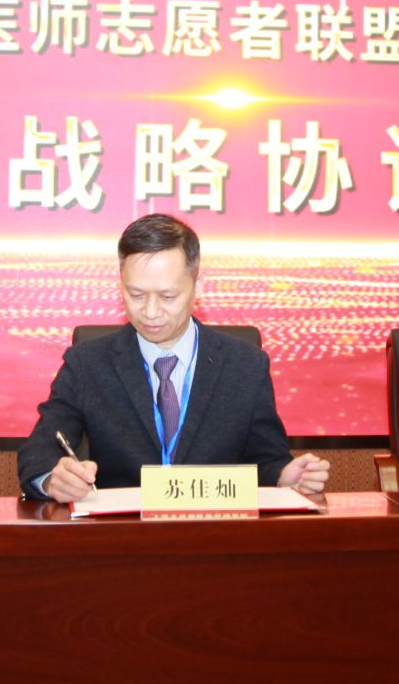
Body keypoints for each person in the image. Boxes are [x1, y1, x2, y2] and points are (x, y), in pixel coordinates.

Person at [18, 213, 330, 501]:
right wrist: (52, 479)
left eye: (168, 296)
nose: (150, 312)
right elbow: (39, 452)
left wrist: (284, 476)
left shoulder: (245, 364)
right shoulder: (87, 363)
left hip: (215, 533)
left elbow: (267, 460)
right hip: (121, 534)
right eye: (136, 295)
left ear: (198, 286)